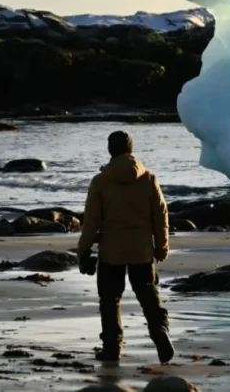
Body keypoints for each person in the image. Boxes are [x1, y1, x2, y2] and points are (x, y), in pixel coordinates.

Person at [77, 130, 174, 363]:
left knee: (110, 300)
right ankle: (160, 331)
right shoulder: (148, 178)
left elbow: (91, 220)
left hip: (111, 252)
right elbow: (160, 215)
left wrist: (83, 251)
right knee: (148, 295)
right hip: (142, 250)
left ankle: (112, 347)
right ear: (130, 149)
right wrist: (162, 246)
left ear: (110, 150)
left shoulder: (100, 181)